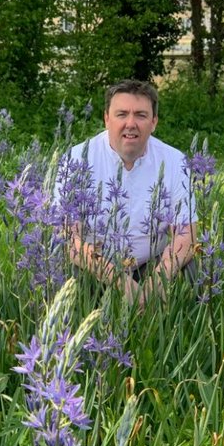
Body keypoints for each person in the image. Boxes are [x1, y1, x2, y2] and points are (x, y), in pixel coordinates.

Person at [63, 79, 196, 306]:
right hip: (94, 266)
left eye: (141, 115)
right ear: (106, 119)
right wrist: (117, 279)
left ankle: (182, 335)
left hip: (151, 266)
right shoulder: (75, 160)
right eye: (121, 114)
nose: (130, 123)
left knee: (194, 269)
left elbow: (187, 234)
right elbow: (66, 237)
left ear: (154, 122)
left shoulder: (175, 161)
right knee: (59, 271)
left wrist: (157, 282)